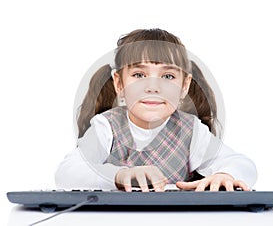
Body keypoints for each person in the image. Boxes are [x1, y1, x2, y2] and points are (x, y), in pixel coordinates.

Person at [55, 28, 257, 192]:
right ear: (119, 84)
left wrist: (226, 175)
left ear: (184, 86)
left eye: (168, 76)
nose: (153, 87)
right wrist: (118, 176)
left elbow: (242, 163)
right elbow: (66, 172)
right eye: (139, 75)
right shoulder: (106, 127)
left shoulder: (191, 131)